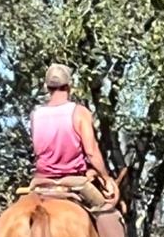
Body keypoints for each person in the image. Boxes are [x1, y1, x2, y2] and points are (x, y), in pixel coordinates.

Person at [30, 63, 119, 207]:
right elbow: (91, 152)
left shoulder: (36, 115)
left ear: (47, 87)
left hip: (41, 181)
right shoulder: (79, 112)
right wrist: (106, 177)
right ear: (69, 86)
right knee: (109, 214)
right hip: (73, 180)